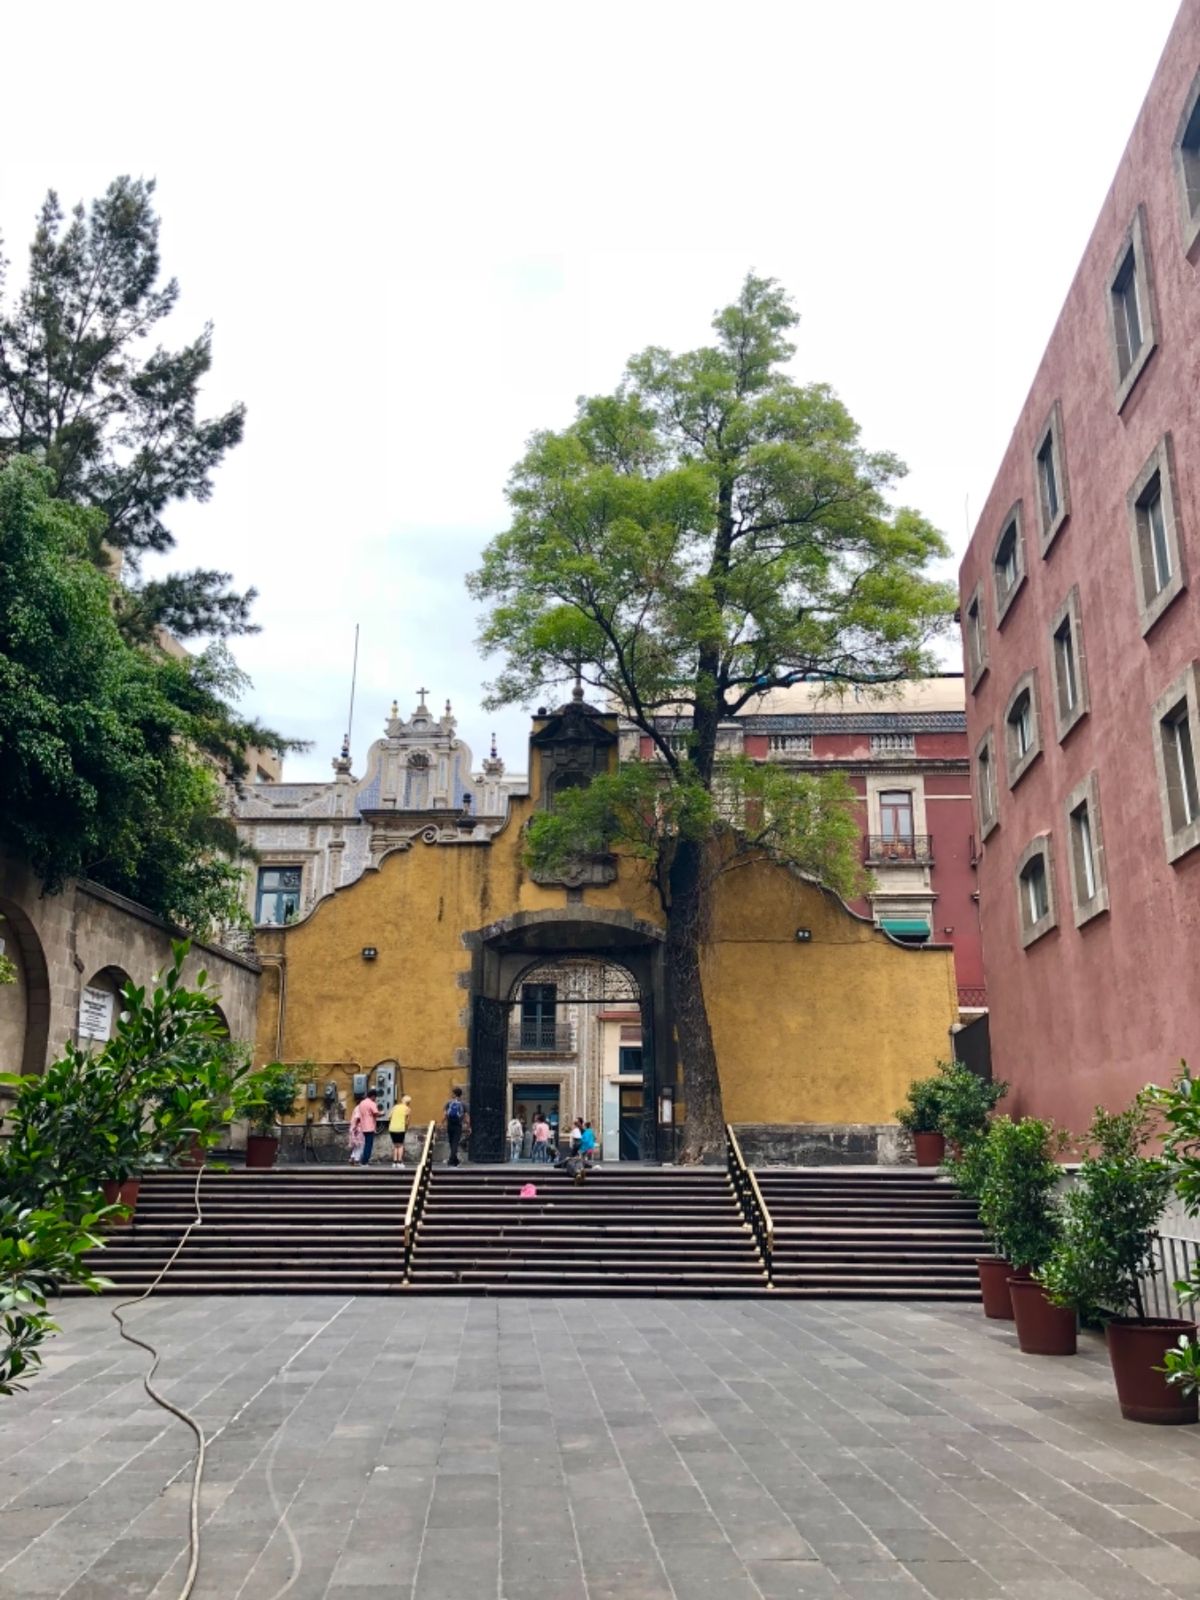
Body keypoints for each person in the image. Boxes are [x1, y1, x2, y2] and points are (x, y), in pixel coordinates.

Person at [353, 1088, 380, 1167]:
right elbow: (376, 1113)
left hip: (363, 1126)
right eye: (375, 1097)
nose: (375, 1099)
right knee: (369, 1145)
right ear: (373, 1096)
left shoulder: (362, 1103)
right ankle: (364, 1161)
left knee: (366, 1144)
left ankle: (363, 1160)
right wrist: (382, 1113)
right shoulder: (372, 1103)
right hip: (370, 1126)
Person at [444, 1086, 469, 1166]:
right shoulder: (463, 1104)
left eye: (452, 1093)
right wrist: (468, 1126)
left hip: (450, 1124)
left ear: (454, 1094)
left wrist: (442, 1123)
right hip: (458, 1125)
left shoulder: (448, 1103)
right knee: (455, 1142)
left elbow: (445, 1114)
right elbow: (466, 1116)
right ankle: (454, 1160)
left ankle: (452, 1160)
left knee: (452, 1142)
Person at [389, 1093, 412, 1165]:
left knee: (395, 1145)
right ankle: (399, 1162)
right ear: (408, 1102)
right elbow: (407, 1121)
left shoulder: (395, 1107)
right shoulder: (407, 1109)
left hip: (392, 1128)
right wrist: (406, 1128)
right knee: (400, 1145)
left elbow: (389, 1117)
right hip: (400, 1128)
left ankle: (394, 1162)